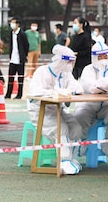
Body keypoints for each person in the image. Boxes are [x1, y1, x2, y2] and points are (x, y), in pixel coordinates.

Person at [27, 44, 84, 175]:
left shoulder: (65, 74)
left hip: (60, 110)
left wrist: (69, 91)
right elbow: (34, 92)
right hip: (41, 112)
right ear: (59, 60)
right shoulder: (42, 72)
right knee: (62, 128)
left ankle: (72, 159)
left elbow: (78, 88)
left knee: (77, 127)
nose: (70, 64)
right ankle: (63, 161)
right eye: (67, 61)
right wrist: (54, 92)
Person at [74, 41, 108, 162]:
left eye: (105, 56)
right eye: (99, 56)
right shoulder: (88, 70)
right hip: (89, 106)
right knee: (79, 115)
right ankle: (84, 140)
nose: (102, 59)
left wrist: (107, 84)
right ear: (94, 57)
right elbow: (91, 88)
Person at [5, 17, 28, 99]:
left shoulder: (22, 34)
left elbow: (26, 45)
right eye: (11, 22)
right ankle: (8, 93)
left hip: (20, 59)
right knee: (11, 76)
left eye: (13, 22)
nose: (12, 24)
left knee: (20, 78)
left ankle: (19, 94)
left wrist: (23, 55)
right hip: (12, 59)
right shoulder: (11, 33)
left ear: (18, 24)